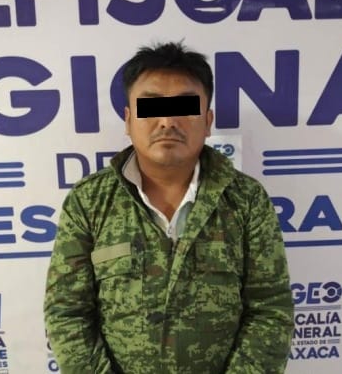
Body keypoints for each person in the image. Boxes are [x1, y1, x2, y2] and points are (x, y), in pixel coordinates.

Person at [44, 42, 294, 374]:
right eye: (151, 107)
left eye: (184, 107)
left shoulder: (246, 200)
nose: (167, 121)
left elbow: (270, 309)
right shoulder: (89, 201)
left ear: (207, 121)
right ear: (128, 120)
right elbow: (67, 312)